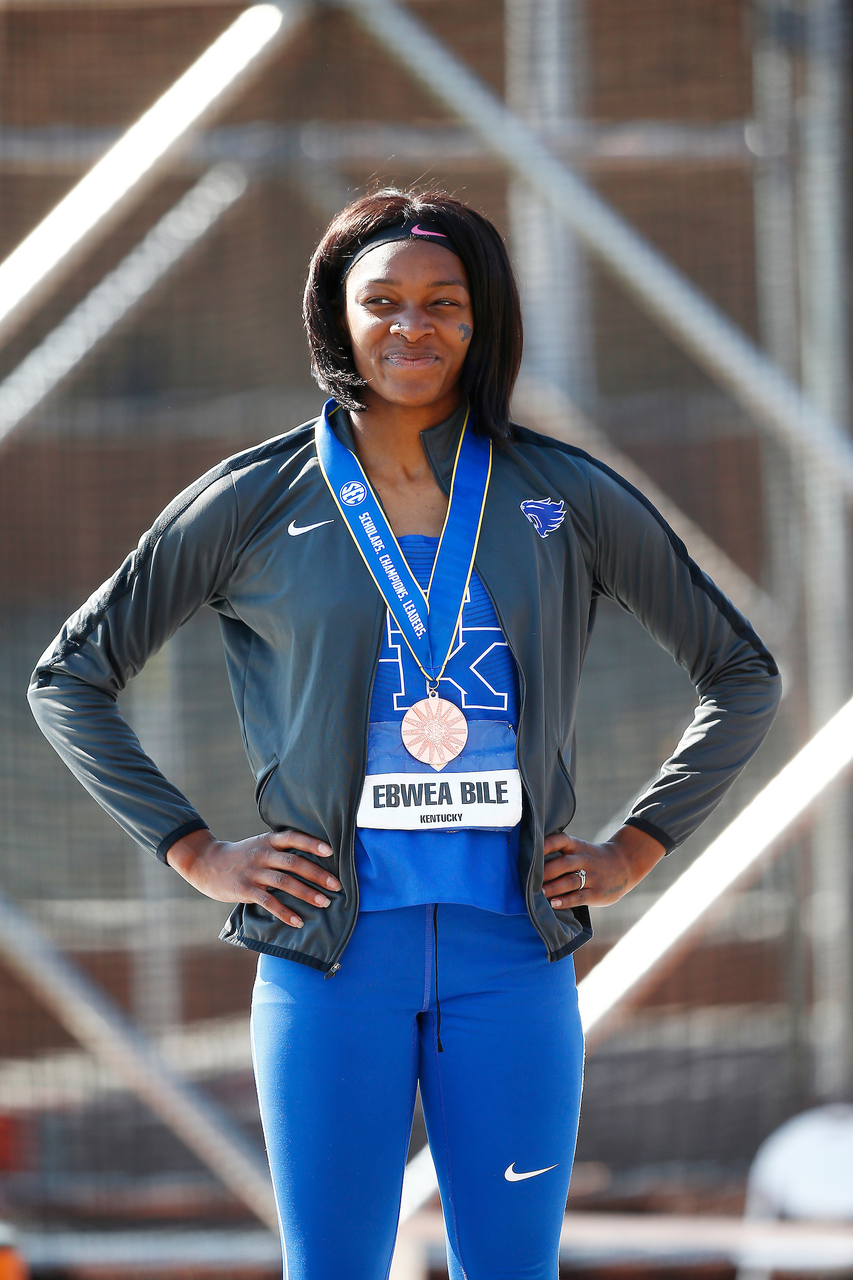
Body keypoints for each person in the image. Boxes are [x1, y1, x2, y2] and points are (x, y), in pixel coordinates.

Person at [28, 188, 781, 1280]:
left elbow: (742, 674)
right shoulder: (255, 498)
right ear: (336, 317)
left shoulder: (559, 493)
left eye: (442, 302)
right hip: (330, 962)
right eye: (380, 300)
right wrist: (196, 851)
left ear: (483, 320)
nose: (410, 325)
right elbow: (70, 677)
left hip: (510, 958)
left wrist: (637, 846)